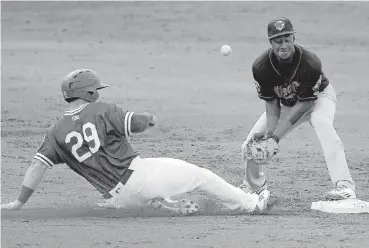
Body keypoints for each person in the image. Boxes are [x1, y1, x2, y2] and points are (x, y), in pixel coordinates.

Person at [1, 69, 271, 215]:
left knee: (152, 185)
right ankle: (250, 204)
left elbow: (37, 166)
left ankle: (161, 204)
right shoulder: (101, 109)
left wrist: (20, 202)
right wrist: (149, 117)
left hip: (117, 197)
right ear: (90, 91)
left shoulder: (54, 132)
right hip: (139, 178)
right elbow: (139, 124)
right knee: (201, 176)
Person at [239, 17, 356, 200]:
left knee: (322, 123)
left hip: (319, 99)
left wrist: (276, 137)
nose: (283, 45)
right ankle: (255, 189)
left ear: (294, 38)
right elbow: (271, 104)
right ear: (271, 42)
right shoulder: (261, 67)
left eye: (287, 39)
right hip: (287, 103)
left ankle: (345, 187)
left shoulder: (310, 63)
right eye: (278, 41)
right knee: (252, 142)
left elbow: (307, 103)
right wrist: (269, 135)